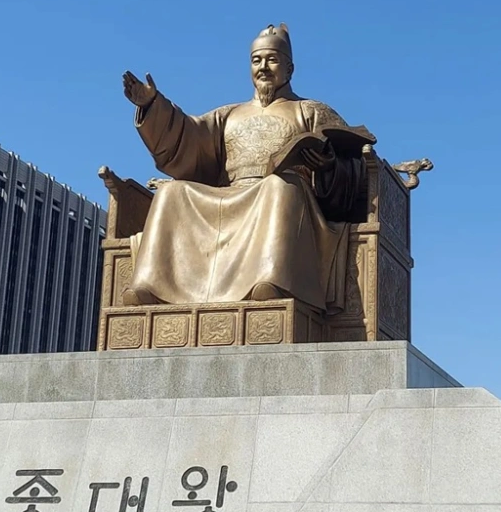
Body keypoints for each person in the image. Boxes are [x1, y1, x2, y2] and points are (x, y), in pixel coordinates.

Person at [121, 23, 370, 313]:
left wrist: (328, 166)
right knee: (171, 192)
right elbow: (188, 138)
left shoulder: (312, 110)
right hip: (229, 195)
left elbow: (354, 165)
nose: (263, 67)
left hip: (286, 200)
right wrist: (153, 106)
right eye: (256, 60)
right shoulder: (229, 115)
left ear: (289, 69)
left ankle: (271, 280)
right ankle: (151, 286)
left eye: (272, 60)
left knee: (279, 186)